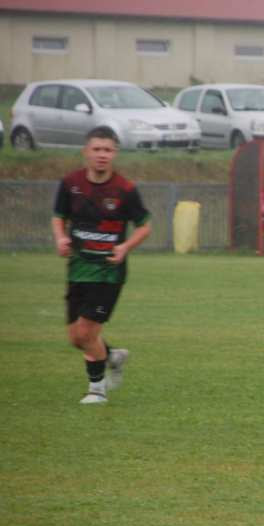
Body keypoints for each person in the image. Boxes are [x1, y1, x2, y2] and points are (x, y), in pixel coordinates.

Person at [51, 127, 151, 404]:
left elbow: (144, 227)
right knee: (75, 337)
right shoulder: (71, 184)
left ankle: (97, 389)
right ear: (86, 152)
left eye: (107, 150)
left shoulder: (125, 190)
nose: (102, 155)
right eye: (97, 149)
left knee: (87, 332)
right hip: (78, 268)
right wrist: (60, 237)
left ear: (114, 153)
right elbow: (58, 216)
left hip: (109, 272)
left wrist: (124, 247)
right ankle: (113, 356)